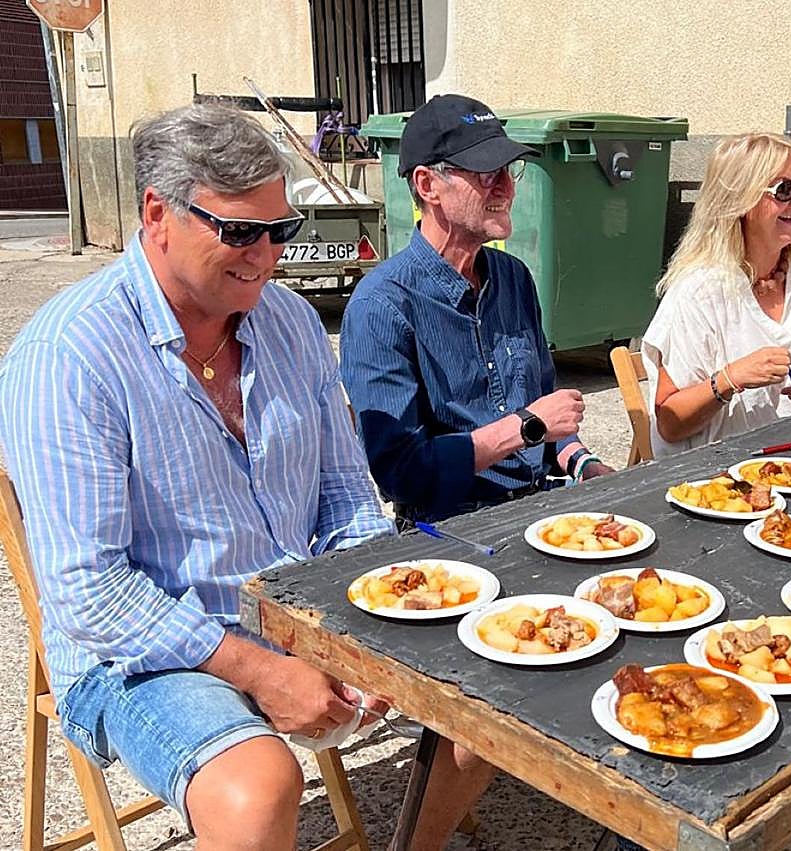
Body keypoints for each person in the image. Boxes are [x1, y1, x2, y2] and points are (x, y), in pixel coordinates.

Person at [0, 103, 488, 851]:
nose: (266, 255)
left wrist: (356, 618)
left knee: (488, 678)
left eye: (279, 230)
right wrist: (260, 669)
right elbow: (88, 587)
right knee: (257, 788)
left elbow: (346, 497)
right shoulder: (71, 355)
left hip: (288, 607)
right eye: (238, 231)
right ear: (157, 213)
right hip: (141, 651)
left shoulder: (288, 322)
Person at [341, 94, 613, 523]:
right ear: (428, 185)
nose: (505, 188)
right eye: (487, 173)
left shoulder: (513, 278)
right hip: (454, 530)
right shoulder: (381, 305)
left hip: (541, 508)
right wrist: (524, 428)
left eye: (509, 170)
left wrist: (583, 463)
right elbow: (400, 475)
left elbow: (545, 407)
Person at [641, 132, 791, 457]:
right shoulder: (700, 290)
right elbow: (669, 422)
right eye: (784, 190)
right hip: (719, 479)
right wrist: (730, 379)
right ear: (740, 202)